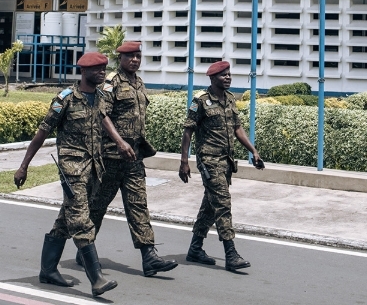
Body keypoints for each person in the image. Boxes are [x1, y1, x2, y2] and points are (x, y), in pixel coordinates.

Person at [15, 52, 127, 297]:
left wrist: (119, 141)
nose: (102, 73)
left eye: (103, 69)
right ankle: (96, 279)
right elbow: (42, 132)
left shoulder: (99, 97)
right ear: (84, 72)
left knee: (65, 220)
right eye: (97, 69)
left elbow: (104, 118)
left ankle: (47, 270)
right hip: (72, 169)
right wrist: (24, 166)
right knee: (81, 220)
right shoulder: (64, 98)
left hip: (94, 168)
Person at [87, 41, 177, 277]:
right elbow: (101, 113)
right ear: (121, 59)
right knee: (97, 206)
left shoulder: (139, 83)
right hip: (111, 156)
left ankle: (149, 257)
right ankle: (84, 248)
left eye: (138, 56)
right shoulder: (112, 82)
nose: (135, 60)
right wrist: (119, 141)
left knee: (138, 205)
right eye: (130, 57)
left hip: (134, 157)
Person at [179, 60, 264, 272]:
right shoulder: (200, 101)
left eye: (229, 74)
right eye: (223, 75)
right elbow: (188, 132)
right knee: (223, 204)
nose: (228, 78)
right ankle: (231, 253)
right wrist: (184, 162)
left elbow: (237, 129)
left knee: (210, 205)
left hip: (226, 162)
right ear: (213, 78)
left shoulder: (230, 99)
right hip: (209, 161)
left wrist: (253, 151)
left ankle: (195, 249)